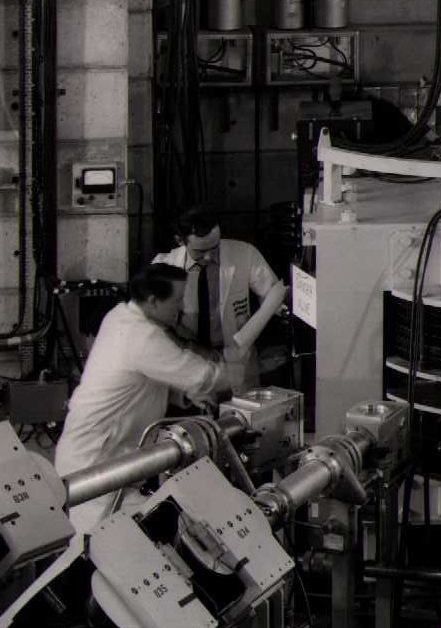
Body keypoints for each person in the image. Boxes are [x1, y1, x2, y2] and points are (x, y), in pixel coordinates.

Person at [54, 263, 228, 533]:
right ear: (153, 301)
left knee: (136, 536)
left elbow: (140, 378)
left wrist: (182, 397)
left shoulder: (120, 315)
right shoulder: (142, 337)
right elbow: (204, 376)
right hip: (94, 464)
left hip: (112, 458)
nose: (182, 307)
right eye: (177, 300)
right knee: (94, 546)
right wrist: (243, 371)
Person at [154, 204, 287, 391]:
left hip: (235, 361)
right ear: (179, 240)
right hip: (188, 363)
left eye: (215, 247)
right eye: (200, 251)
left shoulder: (244, 253)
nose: (209, 257)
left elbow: (273, 296)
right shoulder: (163, 265)